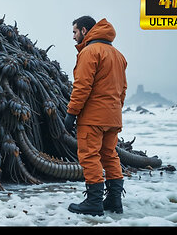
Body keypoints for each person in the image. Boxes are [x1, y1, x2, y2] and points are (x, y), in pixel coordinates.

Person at [64, 16, 127, 216]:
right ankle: (114, 201)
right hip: (113, 116)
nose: (73, 36)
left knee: (89, 155)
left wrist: (71, 113)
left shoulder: (90, 52)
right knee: (109, 155)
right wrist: (114, 110)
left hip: (92, 118)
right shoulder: (118, 55)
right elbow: (122, 89)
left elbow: (82, 87)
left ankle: (93, 202)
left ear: (84, 30)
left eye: (74, 32)